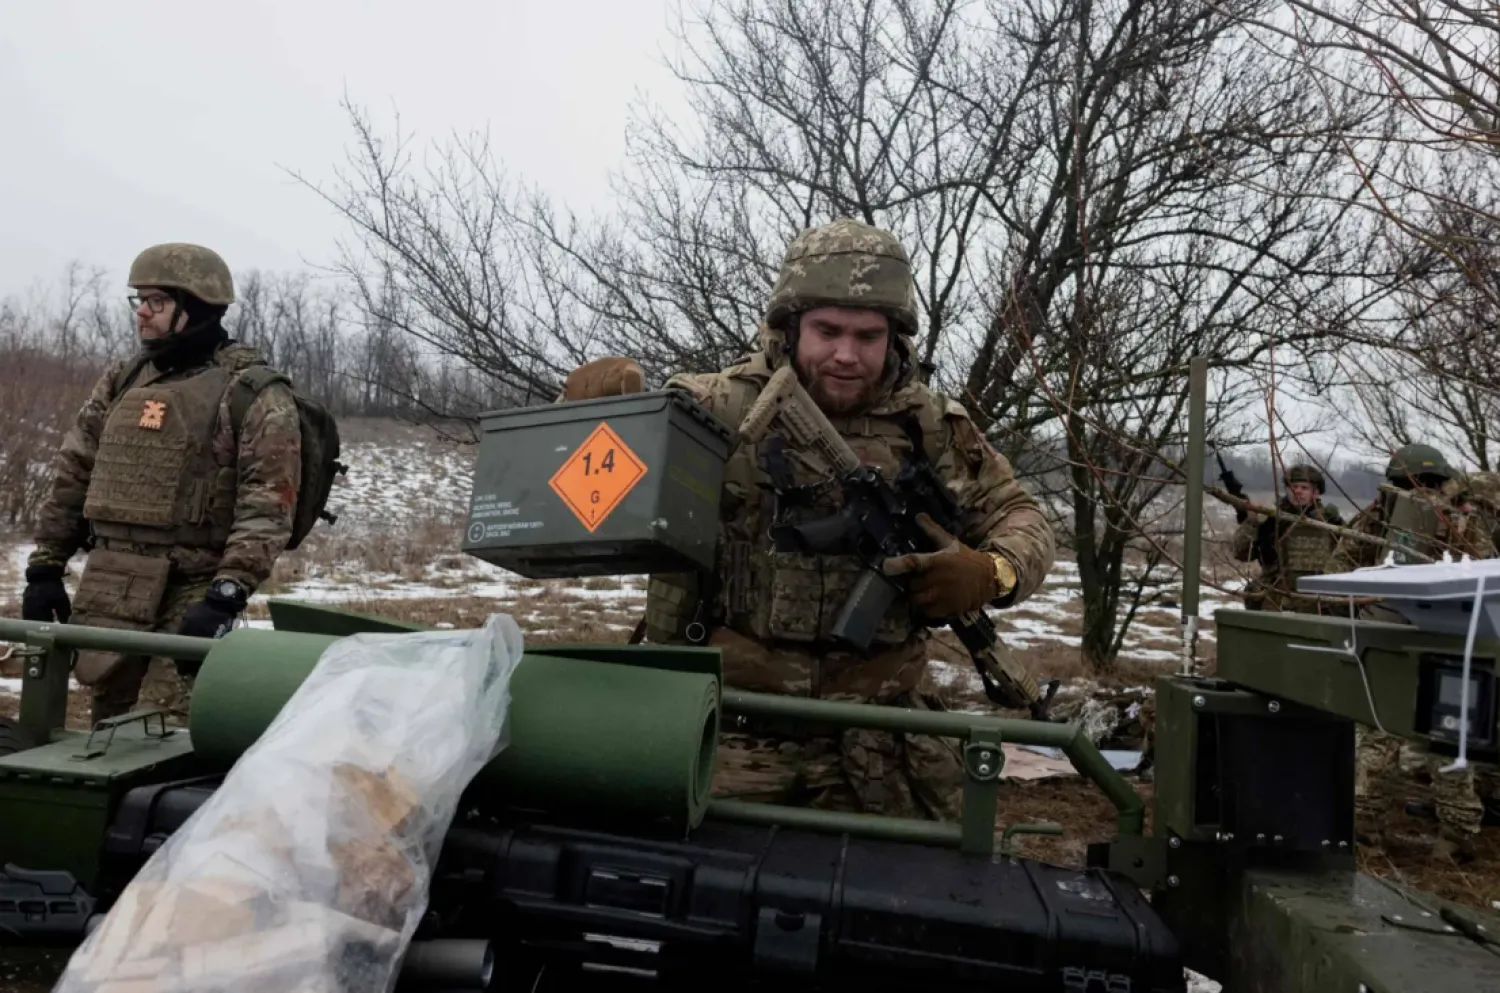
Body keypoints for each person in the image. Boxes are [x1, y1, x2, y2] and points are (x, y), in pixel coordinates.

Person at [559, 218, 1057, 821]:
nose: (846, 355)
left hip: (882, 742)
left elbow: (1021, 515)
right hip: (726, 729)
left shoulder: (931, 429)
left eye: (867, 335)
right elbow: (585, 499)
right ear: (789, 326)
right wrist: (592, 418)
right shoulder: (713, 406)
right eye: (827, 330)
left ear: (895, 338)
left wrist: (991, 572)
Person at [20, 243, 302, 724]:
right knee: (107, 725)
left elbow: (268, 503)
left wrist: (225, 594)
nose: (142, 314)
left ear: (194, 308)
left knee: (159, 731)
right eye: (140, 301)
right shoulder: (124, 379)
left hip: (193, 586)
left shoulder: (253, 392)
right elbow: (74, 472)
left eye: (157, 302)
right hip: (114, 581)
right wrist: (46, 567)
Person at [1336, 444, 1496, 861]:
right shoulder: (1455, 519)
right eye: (1416, 485)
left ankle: (1369, 831)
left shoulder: (1384, 515)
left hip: (1404, 640)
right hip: (1445, 642)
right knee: (1446, 733)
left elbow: (1340, 567)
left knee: (1382, 733)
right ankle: (1451, 837)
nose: (1421, 493)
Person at [1230, 463, 1344, 614]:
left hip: (1317, 604)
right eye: (1293, 487)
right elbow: (1241, 552)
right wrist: (1252, 521)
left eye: (1304, 488)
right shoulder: (1271, 518)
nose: (1297, 491)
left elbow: (1349, 558)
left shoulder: (1329, 521)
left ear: (1316, 493)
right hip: (1274, 601)